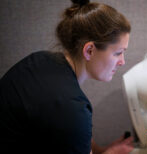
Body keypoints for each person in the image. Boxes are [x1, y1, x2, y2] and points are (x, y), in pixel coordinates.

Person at [0, 0, 133, 153]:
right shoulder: (72, 107)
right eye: (118, 53)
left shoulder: (40, 60)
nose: (122, 61)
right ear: (89, 50)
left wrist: (99, 150)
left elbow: (62, 127)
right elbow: (69, 118)